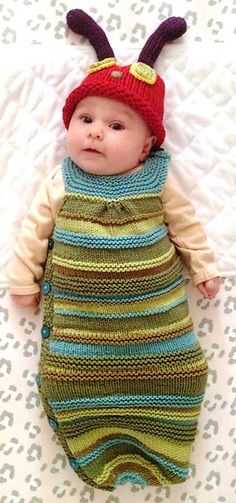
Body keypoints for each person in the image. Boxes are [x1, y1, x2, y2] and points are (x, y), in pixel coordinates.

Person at [10, 10, 220, 491]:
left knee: (180, 371)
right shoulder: (62, 180)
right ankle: (93, 437)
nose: (95, 132)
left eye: (116, 125)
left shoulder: (158, 180)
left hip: (155, 323)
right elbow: (33, 232)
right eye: (85, 119)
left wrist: (203, 267)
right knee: (76, 376)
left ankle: (163, 437)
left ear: (147, 146)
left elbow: (186, 226)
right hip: (83, 330)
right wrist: (23, 280)